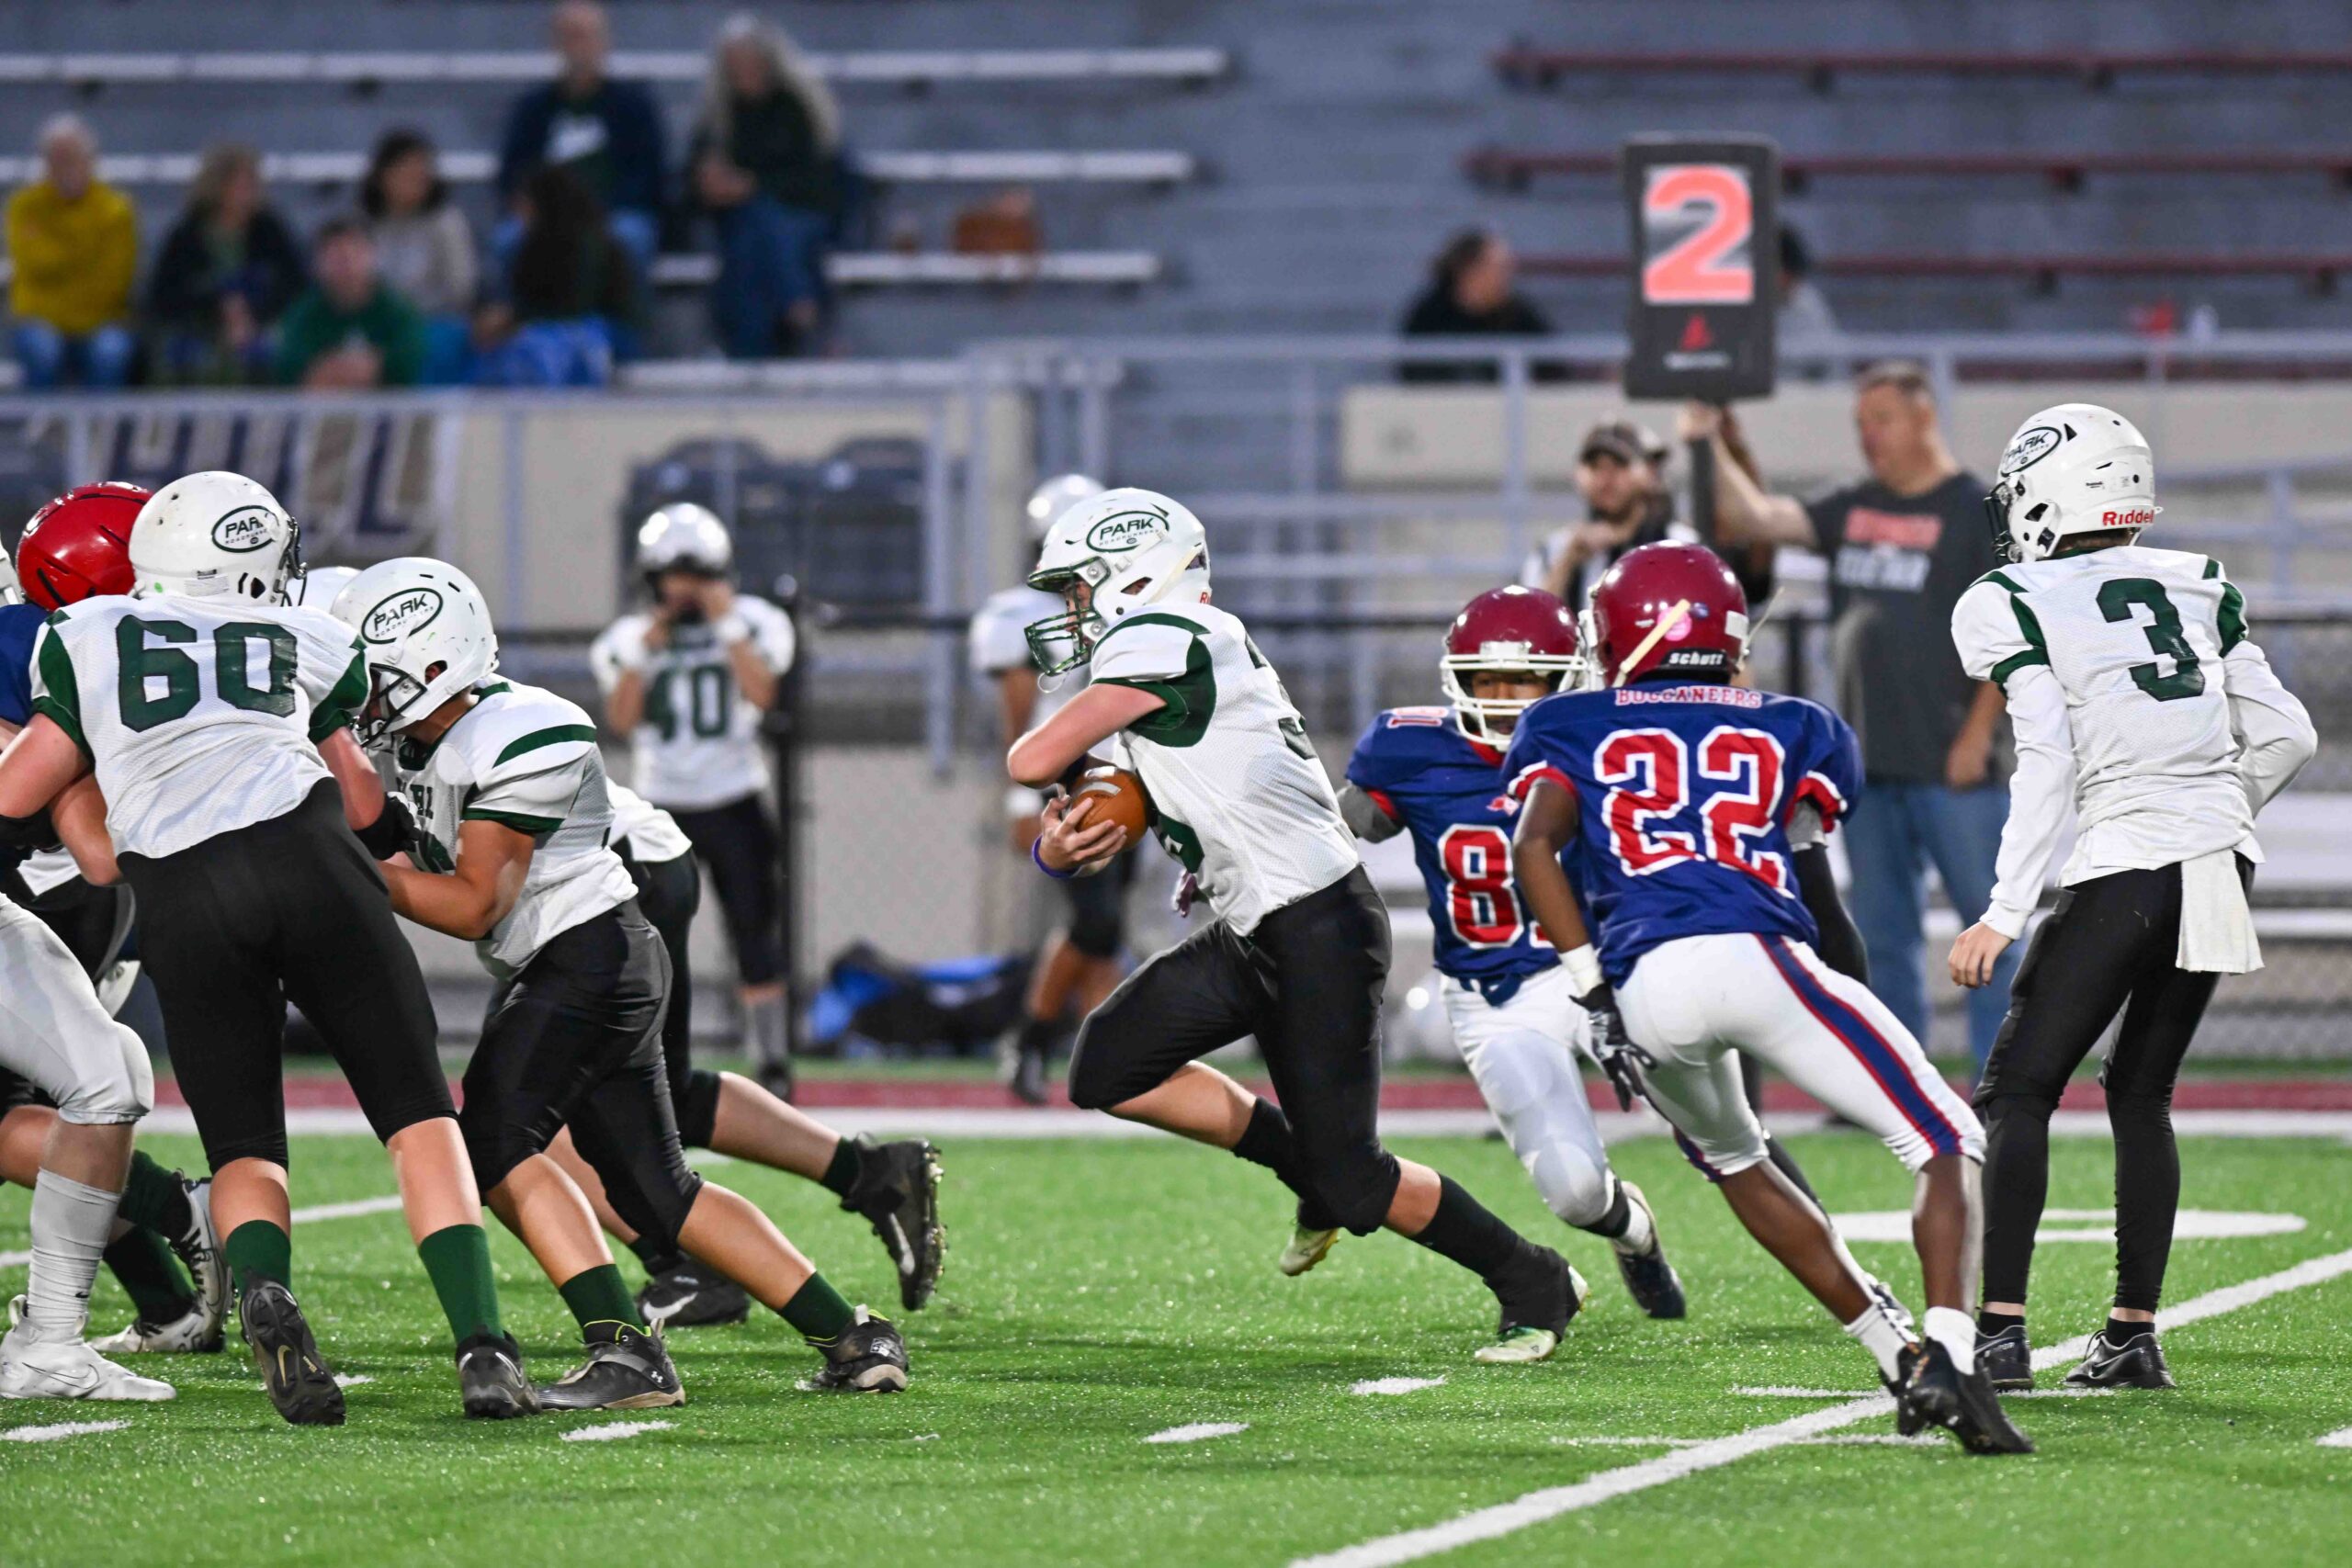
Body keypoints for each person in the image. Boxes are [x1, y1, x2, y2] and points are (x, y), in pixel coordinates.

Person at [0, 472, 533, 1425]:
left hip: (182, 896)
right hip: (314, 864)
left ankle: (265, 1292)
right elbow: (360, 802)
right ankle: (484, 1345)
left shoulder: (82, 636)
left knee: (246, 1144)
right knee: (419, 1117)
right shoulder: (306, 633)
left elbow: (18, 792)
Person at [1008, 488, 1585, 1365]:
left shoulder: (1167, 633)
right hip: (1264, 926)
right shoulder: (1180, 651)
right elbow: (1102, 807)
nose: (1074, 610)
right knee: (1109, 1065)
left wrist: (1057, 781)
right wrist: (1059, 843)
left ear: (1136, 575)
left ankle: (1534, 1277)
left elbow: (1033, 757)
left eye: (1081, 588)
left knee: (1355, 1182)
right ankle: (1302, 1166)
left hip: (1318, 928)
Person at [329, 557, 909, 1397]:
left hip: (587, 960)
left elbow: (474, 904)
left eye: (375, 679)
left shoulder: (520, 730)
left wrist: (347, 873)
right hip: (591, 960)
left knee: (491, 1143)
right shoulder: (438, 738)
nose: (364, 699)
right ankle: (853, 1335)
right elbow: (400, 838)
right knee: (658, 1191)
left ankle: (625, 1348)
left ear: (433, 664)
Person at [1503, 541, 2028, 1453]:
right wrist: (1846, 992)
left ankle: (1894, 1355)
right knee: (1945, 1137)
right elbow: (1817, 892)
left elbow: (1532, 848)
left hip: (1637, 989)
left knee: (1735, 1157)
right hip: (1755, 956)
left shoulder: (1566, 723)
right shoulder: (1796, 725)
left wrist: (1591, 993)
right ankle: (1949, 1352)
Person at [1950, 406, 2316, 1392]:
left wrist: (2003, 909)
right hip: (2220, 860)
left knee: (2017, 1090)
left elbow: (2046, 759)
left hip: (2130, 858)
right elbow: (2290, 735)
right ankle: (2130, 1335)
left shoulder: (2009, 597)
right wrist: (2212, 811)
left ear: (2044, 496)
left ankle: (2000, 1334)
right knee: (2141, 1092)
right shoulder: (2197, 581)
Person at [1338, 586, 1686, 1316]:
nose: (1500, 698)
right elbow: (1340, 828)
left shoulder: (1601, 742)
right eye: (1485, 679)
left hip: (1612, 970)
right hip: (1497, 993)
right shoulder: (1410, 750)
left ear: (1565, 678)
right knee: (1577, 1193)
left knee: (1724, 1128)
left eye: (1522, 679)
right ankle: (1634, 1231)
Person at [1690, 362, 2018, 1071]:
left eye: (1883, 419)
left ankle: (2006, 1086)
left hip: (1955, 764)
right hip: (1869, 764)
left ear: (1924, 416)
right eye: (1861, 423)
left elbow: (2017, 630)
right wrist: (1709, 441)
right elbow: (1754, 519)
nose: (1869, 435)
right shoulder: (1853, 504)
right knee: (1882, 937)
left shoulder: (1977, 508)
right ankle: (1896, 1082)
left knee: (1991, 927)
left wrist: (1978, 732)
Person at [548, 777, 944, 1327]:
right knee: (663, 1095)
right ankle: (872, 1174)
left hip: (601, 877)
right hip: (634, 860)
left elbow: (477, 889)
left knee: (530, 1110)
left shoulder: (456, 743)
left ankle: (695, 1267)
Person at [5, 483, 230, 1359]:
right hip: (81, 887)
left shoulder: (38, 639)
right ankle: (166, 1298)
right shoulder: (111, 639)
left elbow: (77, 823)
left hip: (49, 893)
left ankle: (177, 1211)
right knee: (59, 1105)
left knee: (45, 1110)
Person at [591, 505, 797, 1091]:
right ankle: (646, 1055)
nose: (683, 588)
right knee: (647, 937)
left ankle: (773, 1061)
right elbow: (621, 719)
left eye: (696, 574)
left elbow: (763, 694)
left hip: (734, 797)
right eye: (673, 575)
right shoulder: (627, 639)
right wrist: (645, 652)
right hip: (658, 807)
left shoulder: (753, 621)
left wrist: (726, 625)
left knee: (755, 932)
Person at [968, 473, 1130, 1104]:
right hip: (1067, 776)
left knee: (1104, 928)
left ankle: (1112, 1061)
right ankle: (1034, 1041)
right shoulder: (1021, 616)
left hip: (1128, 773)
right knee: (1096, 921)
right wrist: (1019, 798)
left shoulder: (1127, 606)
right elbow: (1018, 721)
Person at [688, 12, 846, 360]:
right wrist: (711, 185)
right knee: (752, 236)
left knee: (761, 228)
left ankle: (747, 350)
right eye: (735, 64)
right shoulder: (719, 117)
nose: (743, 71)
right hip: (741, 222)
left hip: (802, 216)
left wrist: (751, 186)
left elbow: (816, 181)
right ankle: (799, 304)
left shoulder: (797, 109)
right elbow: (694, 180)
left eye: (750, 62)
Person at [494, 0, 667, 276]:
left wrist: (595, 213)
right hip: (547, 216)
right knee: (509, 241)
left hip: (615, 213)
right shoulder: (533, 109)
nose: (578, 46)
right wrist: (530, 205)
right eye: (569, 36)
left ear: (604, 42)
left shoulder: (634, 107)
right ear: (555, 43)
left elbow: (648, 176)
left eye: (585, 35)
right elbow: (513, 172)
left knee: (631, 238)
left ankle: (625, 307)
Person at [145, 143, 307, 386]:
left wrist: (251, 315)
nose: (246, 193)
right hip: (199, 327)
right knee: (183, 356)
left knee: (273, 351)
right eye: (238, 185)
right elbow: (164, 296)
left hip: (260, 323)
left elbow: (295, 284)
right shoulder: (187, 234)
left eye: (250, 185)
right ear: (216, 187)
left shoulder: (270, 230)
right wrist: (219, 309)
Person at [471, 165, 640, 388]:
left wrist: (514, 318)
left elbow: (577, 307)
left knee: (543, 346)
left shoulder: (591, 247)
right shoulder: (527, 248)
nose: (519, 210)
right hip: (549, 327)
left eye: (525, 202)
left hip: (604, 332)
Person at [6, 115, 137, 389]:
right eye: (57, 159)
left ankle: (103, 419)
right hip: (40, 320)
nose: (65, 168)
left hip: (100, 320)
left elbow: (114, 281)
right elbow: (33, 264)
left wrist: (59, 253)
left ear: (91, 160)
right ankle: (40, 418)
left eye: (72, 158)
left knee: (111, 352)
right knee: (42, 349)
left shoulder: (115, 209)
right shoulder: (24, 206)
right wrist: (85, 251)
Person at [360, 129, 479, 383]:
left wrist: (407, 317)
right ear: (383, 176)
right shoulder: (365, 224)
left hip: (433, 325)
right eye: (406, 173)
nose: (416, 180)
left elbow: (460, 289)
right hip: (376, 325)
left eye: (421, 174)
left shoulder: (447, 223)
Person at [274, 217, 428, 389]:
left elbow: (411, 359)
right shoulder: (301, 314)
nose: (347, 264)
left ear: (373, 256)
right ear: (317, 262)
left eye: (355, 253)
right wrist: (328, 371)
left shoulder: (399, 310)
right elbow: (288, 365)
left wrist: (377, 366)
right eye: (336, 256)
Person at [1398, 229, 1561, 384]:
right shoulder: (1430, 315)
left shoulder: (1519, 313)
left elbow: (1554, 369)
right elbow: (1412, 371)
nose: (1507, 276)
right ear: (1469, 269)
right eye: (1499, 268)